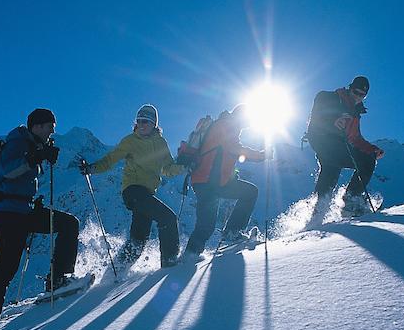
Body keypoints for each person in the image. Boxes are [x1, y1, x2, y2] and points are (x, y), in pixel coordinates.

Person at [0, 108, 80, 324]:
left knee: (68, 224)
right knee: (7, 263)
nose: (52, 132)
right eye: (50, 127)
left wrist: (39, 155)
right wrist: (36, 157)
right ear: (37, 126)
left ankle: (57, 280)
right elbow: (8, 171)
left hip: (24, 209)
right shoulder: (18, 143)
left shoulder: (33, 144)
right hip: (8, 212)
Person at [79, 104, 186, 268]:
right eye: (139, 121)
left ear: (154, 125)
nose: (141, 124)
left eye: (146, 121)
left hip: (147, 194)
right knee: (168, 218)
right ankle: (170, 262)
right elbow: (110, 160)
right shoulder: (130, 141)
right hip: (133, 191)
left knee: (139, 239)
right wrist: (91, 169)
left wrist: (184, 167)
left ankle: (118, 268)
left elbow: (167, 169)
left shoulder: (160, 143)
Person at [181, 104, 266, 261]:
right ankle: (189, 257)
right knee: (206, 225)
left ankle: (230, 233)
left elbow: (224, 155)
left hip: (212, 182)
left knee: (249, 192)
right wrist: (261, 155)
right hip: (208, 183)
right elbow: (235, 148)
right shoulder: (226, 126)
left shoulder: (224, 125)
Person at [306, 75, 385, 215]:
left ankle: (315, 216)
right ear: (350, 88)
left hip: (337, 149)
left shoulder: (355, 113)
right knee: (364, 161)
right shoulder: (331, 98)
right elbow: (317, 116)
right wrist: (332, 122)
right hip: (324, 143)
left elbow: (355, 139)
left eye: (363, 95)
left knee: (330, 176)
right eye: (356, 93)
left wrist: (372, 149)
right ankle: (350, 201)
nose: (359, 97)